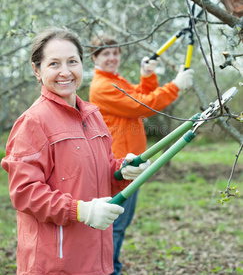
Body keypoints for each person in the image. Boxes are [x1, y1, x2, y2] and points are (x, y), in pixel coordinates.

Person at [1, 27, 150, 275]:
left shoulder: (93, 117)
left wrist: (123, 171)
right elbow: (24, 193)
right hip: (56, 264)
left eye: (72, 61)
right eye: (54, 64)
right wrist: (81, 210)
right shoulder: (33, 122)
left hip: (97, 259)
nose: (65, 72)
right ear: (36, 70)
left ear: (82, 65)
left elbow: (102, 173)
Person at [89, 35, 194, 275]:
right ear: (94, 58)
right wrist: (175, 85)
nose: (113, 58)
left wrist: (147, 75)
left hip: (130, 163)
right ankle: (107, 270)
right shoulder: (102, 86)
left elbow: (139, 94)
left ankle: (110, 266)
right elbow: (141, 105)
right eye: (106, 54)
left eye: (116, 53)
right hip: (118, 166)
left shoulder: (115, 80)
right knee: (115, 224)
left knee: (119, 223)